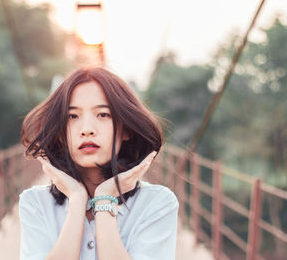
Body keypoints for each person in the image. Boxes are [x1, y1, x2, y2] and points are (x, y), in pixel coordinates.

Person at [19, 67, 179, 260]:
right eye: (72, 116)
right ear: (60, 133)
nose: (87, 130)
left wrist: (104, 200)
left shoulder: (157, 204)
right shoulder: (35, 204)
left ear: (126, 129)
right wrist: (77, 200)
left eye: (103, 114)